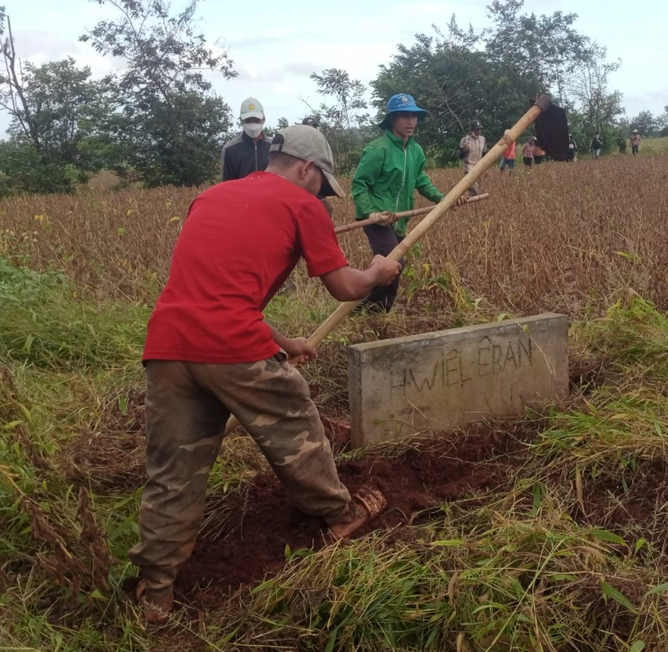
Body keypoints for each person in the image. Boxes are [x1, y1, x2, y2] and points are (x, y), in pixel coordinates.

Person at [131, 125, 401, 624]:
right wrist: (379, 272)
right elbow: (345, 287)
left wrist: (284, 341)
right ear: (306, 168)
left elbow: (218, 290)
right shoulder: (304, 206)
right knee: (296, 426)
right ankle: (340, 514)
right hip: (231, 347)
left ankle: (155, 593)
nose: (324, 195)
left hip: (168, 345)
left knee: (173, 472)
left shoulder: (210, 196)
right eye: (323, 184)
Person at [351, 94, 465, 313]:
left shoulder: (416, 151)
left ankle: (380, 313)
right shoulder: (377, 149)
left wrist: (445, 199)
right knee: (395, 264)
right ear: (392, 119)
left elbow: (421, 180)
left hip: (400, 219)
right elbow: (359, 184)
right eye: (404, 116)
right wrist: (372, 213)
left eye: (414, 116)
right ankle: (364, 309)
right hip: (378, 219)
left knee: (394, 268)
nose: (410, 121)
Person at [221, 97, 271, 181]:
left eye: (256, 120)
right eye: (248, 120)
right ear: (241, 121)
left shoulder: (274, 148)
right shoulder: (230, 150)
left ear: (264, 119)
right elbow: (226, 184)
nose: (252, 124)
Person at [460, 120, 486, 195]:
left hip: (479, 165)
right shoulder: (465, 140)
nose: (478, 131)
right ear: (472, 130)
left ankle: (473, 204)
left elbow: (484, 153)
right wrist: (465, 149)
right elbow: (460, 156)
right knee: (475, 187)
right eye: (476, 130)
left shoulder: (483, 139)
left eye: (479, 129)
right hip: (469, 166)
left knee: (478, 189)